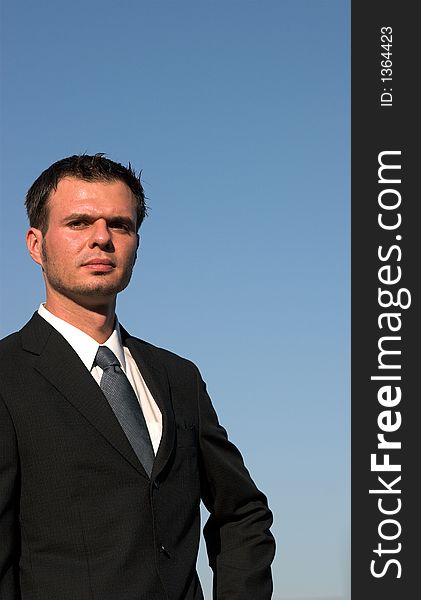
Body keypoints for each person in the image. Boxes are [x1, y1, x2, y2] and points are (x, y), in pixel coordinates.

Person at [0, 153, 275, 600]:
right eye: (79, 223)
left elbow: (242, 512)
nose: (102, 239)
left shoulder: (178, 378)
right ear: (36, 244)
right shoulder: (7, 375)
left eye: (120, 225)